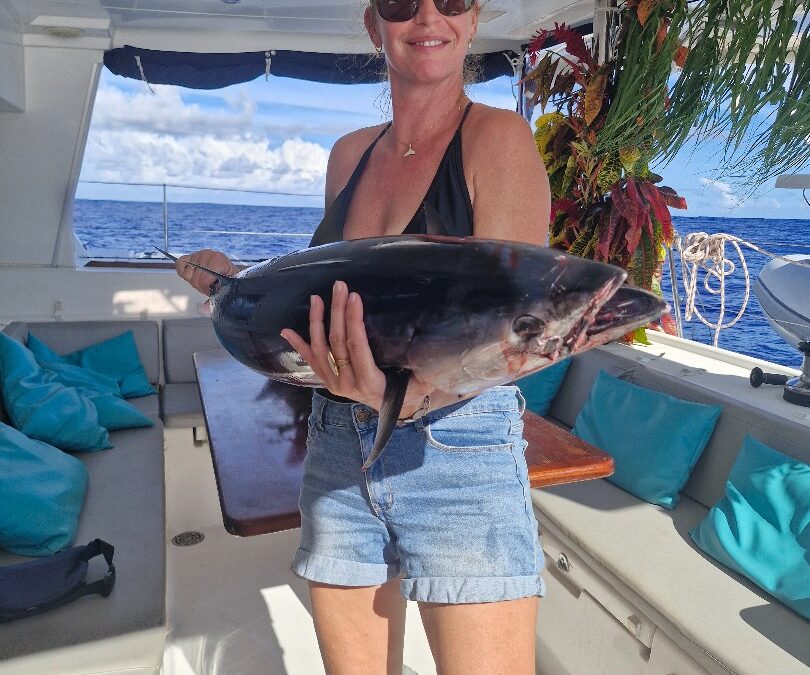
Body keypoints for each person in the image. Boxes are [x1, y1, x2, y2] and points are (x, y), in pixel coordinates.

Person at [176, 1, 551, 672]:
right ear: (375, 24)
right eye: (402, 3)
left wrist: (405, 400)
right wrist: (231, 285)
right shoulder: (348, 155)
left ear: (473, 20)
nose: (428, 17)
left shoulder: (499, 139)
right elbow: (339, 304)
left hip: (458, 451)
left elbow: (513, 332)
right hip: (336, 446)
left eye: (452, 1)